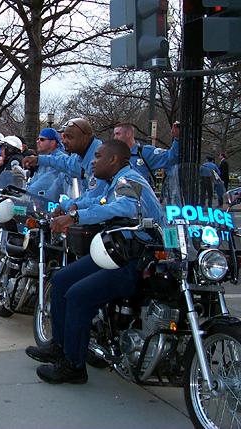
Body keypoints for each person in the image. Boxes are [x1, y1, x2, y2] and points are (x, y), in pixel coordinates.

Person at [25, 139, 164, 384]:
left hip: (135, 261)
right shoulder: (115, 182)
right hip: (116, 253)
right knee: (61, 279)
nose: (94, 161)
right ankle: (60, 346)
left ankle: (74, 367)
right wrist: (70, 206)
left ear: (113, 160)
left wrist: (75, 216)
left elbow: (123, 207)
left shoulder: (130, 180)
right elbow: (99, 201)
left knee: (78, 295)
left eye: (99, 156)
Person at [24, 118, 106, 213]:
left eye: (69, 137)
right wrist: (38, 159)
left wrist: (69, 206)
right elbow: (64, 163)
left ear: (85, 137)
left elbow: (96, 198)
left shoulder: (100, 158)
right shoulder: (79, 155)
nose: (64, 141)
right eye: (64, 136)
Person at [113, 122, 179, 186]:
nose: (115, 138)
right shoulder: (113, 157)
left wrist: (177, 139)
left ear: (128, 134)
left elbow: (171, 158)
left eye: (118, 134)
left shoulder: (145, 152)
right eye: (115, 134)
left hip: (142, 196)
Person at [26, 128, 71, 202]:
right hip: (40, 202)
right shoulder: (43, 159)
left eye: (42, 139)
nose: (38, 141)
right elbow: (34, 181)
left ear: (53, 142)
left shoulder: (61, 159)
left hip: (53, 206)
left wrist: (27, 194)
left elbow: (42, 184)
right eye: (38, 139)